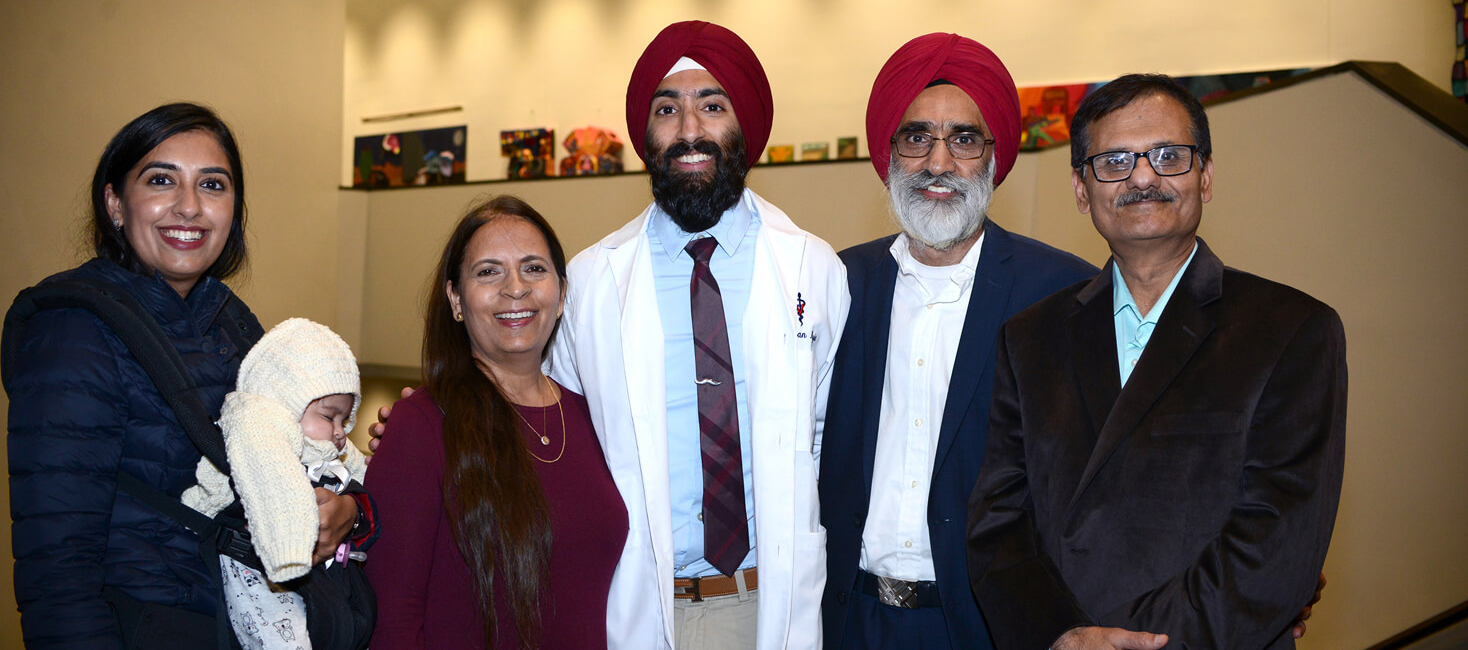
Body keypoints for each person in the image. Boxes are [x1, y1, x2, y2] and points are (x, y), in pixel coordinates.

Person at [965, 74, 1346, 650]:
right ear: (1080, 188)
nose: (1143, 176)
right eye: (1114, 160)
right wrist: (1065, 634)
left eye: (1169, 156)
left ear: (1206, 175)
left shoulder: (1291, 330)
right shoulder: (1030, 338)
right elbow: (998, 524)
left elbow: (1276, 540)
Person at [3, 102, 365, 649]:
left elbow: (297, 458)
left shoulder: (232, 324)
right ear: (115, 203)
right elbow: (57, 567)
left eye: (212, 185)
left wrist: (350, 510)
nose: (189, 207)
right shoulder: (74, 332)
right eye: (160, 180)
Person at [546, 20, 849, 650]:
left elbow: (828, 437)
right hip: (632, 603)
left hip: (765, 601)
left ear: (743, 129)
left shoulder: (813, 268)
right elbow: (554, 436)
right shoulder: (592, 280)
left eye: (712, 105)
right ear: (645, 134)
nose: (689, 130)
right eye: (667, 109)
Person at [817, 33, 1097, 650]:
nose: (939, 163)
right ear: (889, 155)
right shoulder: (836, 284)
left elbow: (1112, 469)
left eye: (964, 140)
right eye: (917, 137)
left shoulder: (1064, 290)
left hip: (995, 626)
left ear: (993, 157)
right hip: (850, 620)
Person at [364, 195, 628, 649]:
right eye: (488, 271)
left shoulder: (592, 418)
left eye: (534, 268)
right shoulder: (422, 424)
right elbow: (392, 619)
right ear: (456, 299)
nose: (515, 288)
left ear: (562, 294)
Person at [180, 317, 372, 650]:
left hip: (309, 578)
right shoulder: (256, 420)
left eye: (345, 419)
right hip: (260, 566)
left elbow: (369, 477)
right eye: (329, 416)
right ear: (288, 402)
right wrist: (289, 552)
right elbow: (273, 480)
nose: (340, 431)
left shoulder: (326, 446)